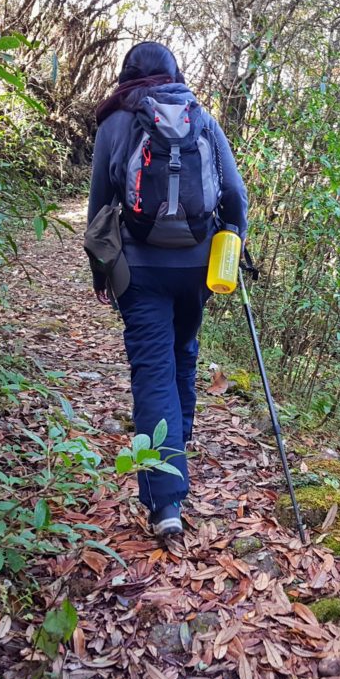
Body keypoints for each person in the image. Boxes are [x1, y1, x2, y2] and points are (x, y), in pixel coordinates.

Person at [87, 41, 248, 538]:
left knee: (152, 371)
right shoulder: (202, 118)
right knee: (183, 357)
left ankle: (166, 503)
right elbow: (235, 196)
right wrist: (233, 246)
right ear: (174, 73)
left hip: (141, 269)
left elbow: (99, 208)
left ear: (126, 75)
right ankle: (177, 452)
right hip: (199, 265)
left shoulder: (116, 122)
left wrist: (102, 274)